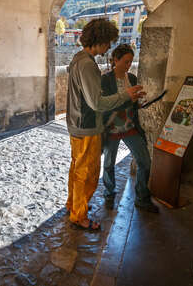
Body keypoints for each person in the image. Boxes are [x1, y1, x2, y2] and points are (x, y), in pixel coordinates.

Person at [66, 19, 145, 230]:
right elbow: (97, 103)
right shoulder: (87, 64)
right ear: (99, 40)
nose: (109, 47)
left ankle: (73, 205)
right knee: (88, 173)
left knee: (77, 168)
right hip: (87, 125)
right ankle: (79, 216)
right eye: (108, 42)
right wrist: (126, 94)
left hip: (76, 123)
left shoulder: (77, 58)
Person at [101, 44, 159, 213]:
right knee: (109, 164)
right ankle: (109, 193)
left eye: (131, 62)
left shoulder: (132, 78)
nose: (128, 65)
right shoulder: (105, 80)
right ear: (115, 60)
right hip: (111, 128)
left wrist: (140, 102)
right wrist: (129, 100)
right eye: (125, 61)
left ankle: (142, 198)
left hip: (130, 127)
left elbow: (132, 106)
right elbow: (106, 106)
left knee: (145, 162)